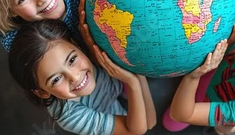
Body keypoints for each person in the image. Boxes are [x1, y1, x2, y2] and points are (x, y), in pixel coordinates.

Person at [8, 19, 156, 135]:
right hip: (109, 117)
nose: (74, 77)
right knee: (147, 123)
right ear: (42, 92)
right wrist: (133, 82)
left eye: (72, 60)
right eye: (56, 79)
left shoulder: (87, 51)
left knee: (149, 121)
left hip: (113, 94)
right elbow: (135, 131)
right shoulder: (68, 115)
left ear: (77, 46)